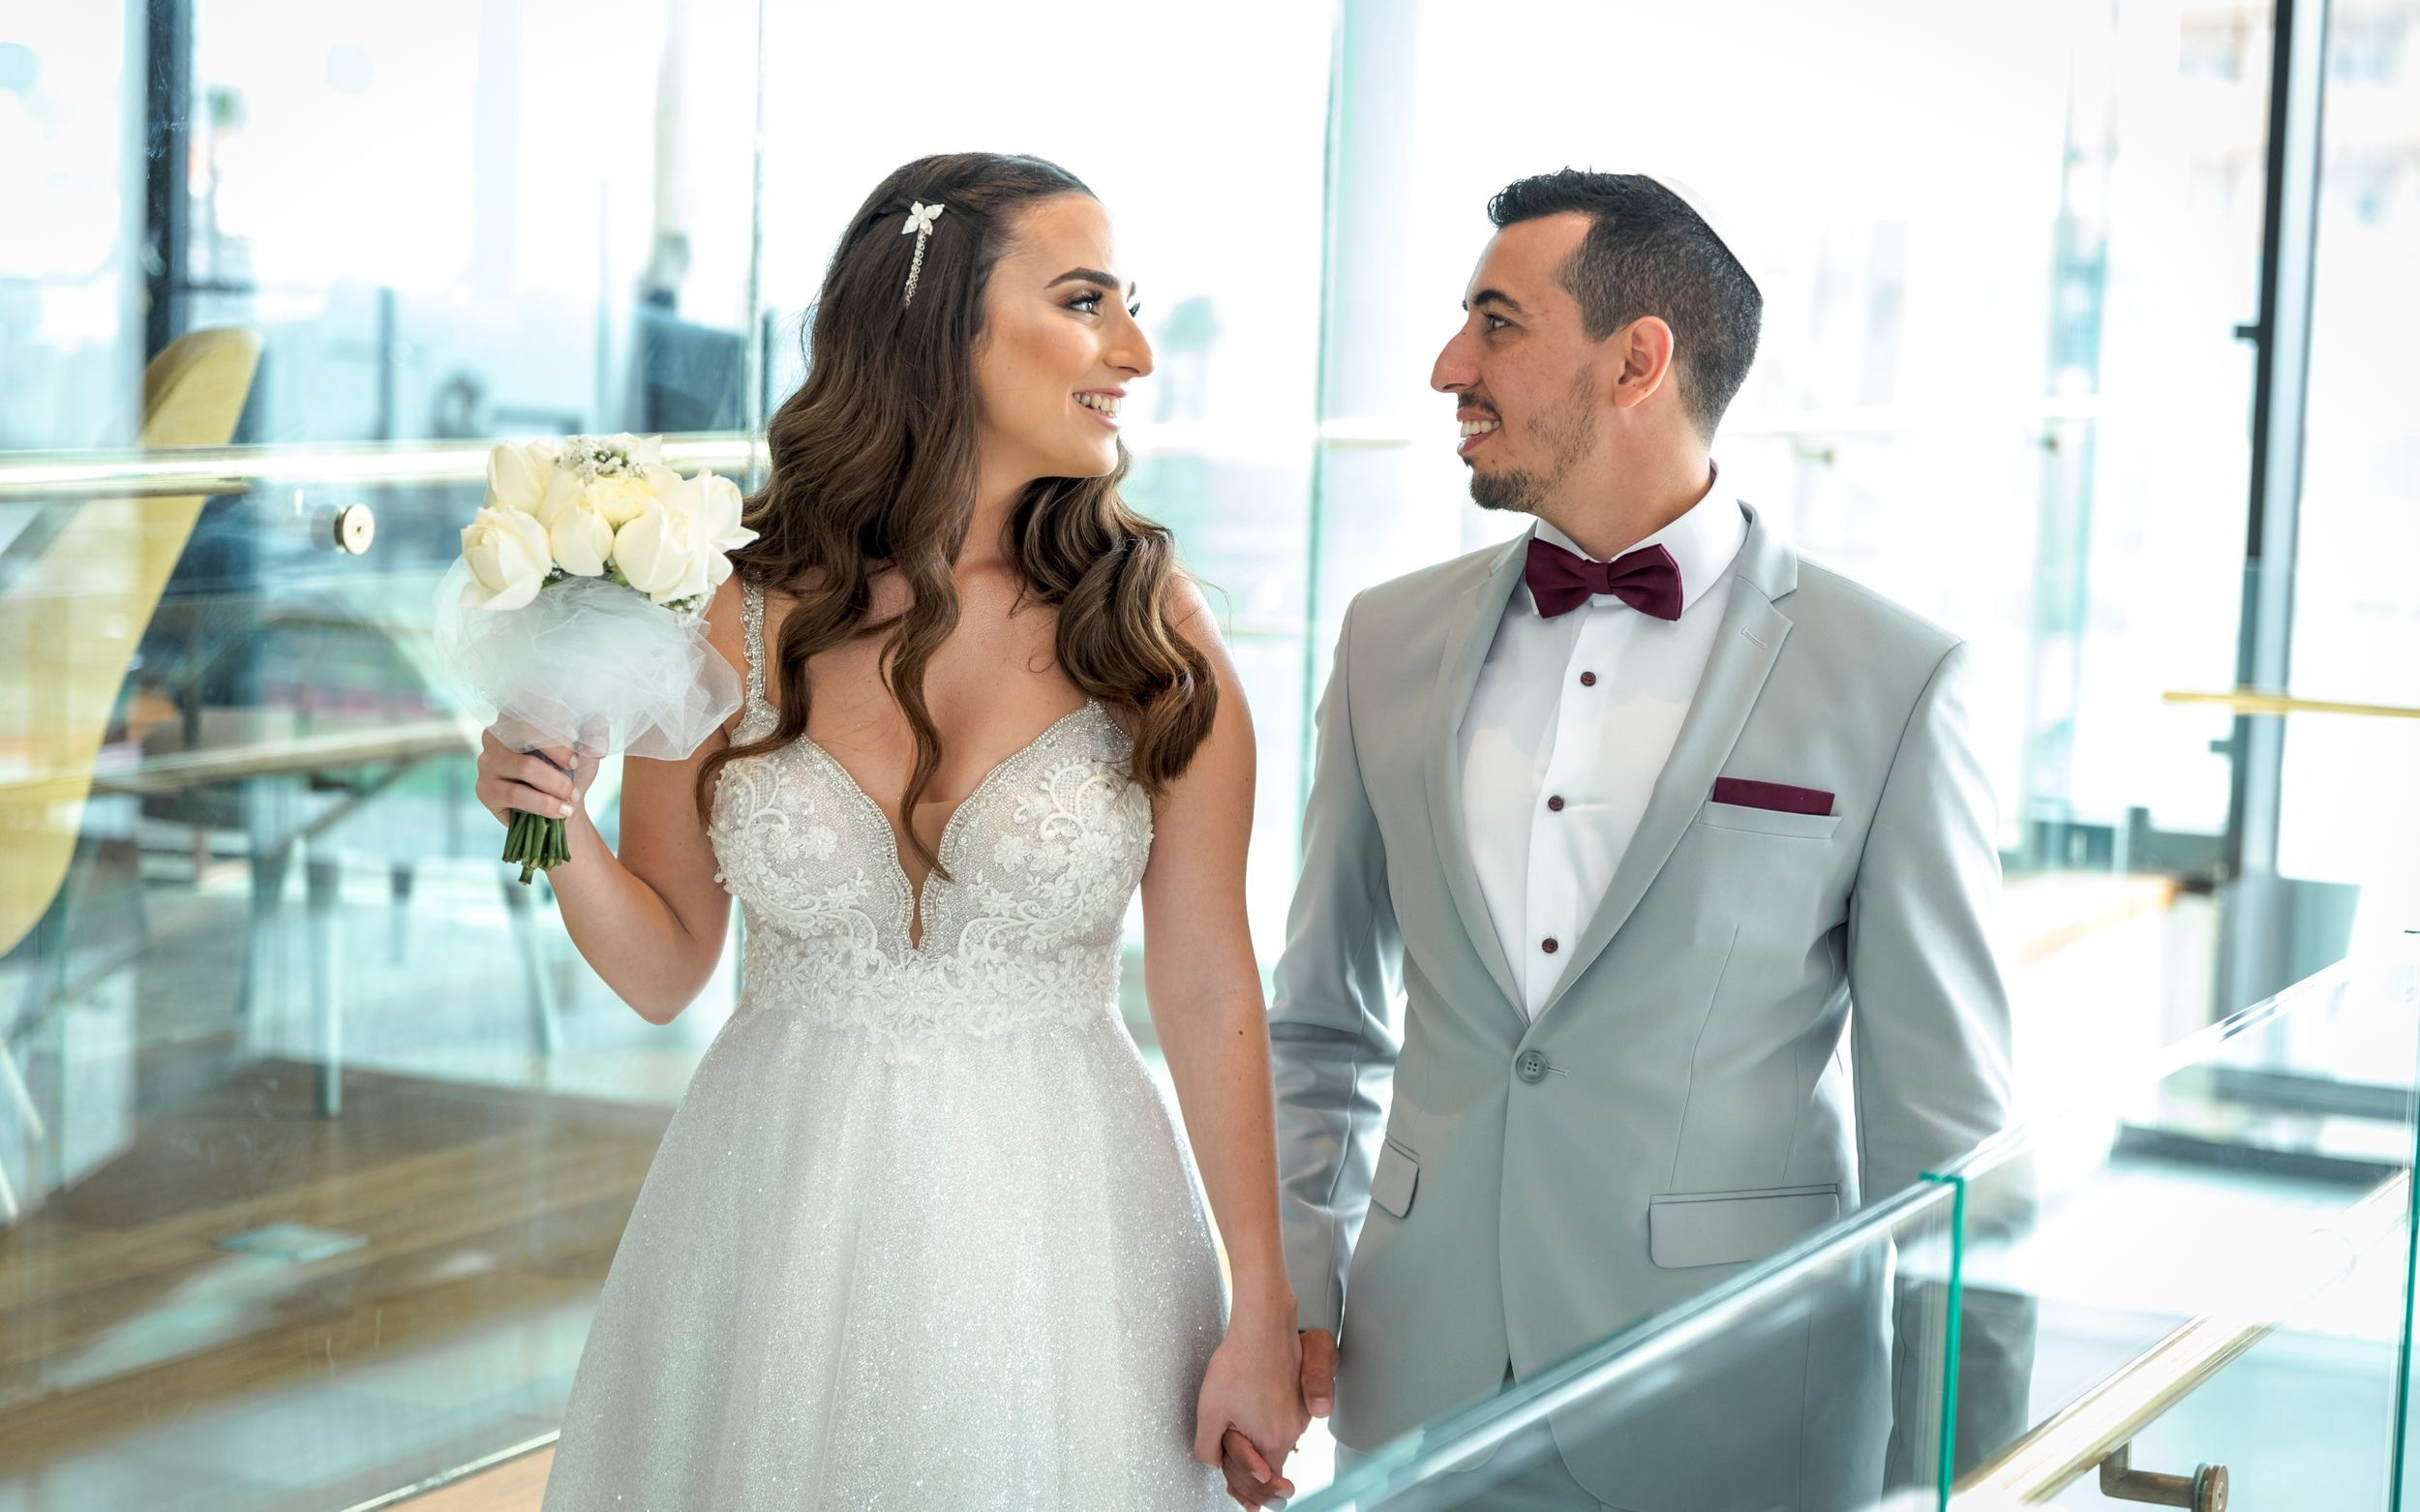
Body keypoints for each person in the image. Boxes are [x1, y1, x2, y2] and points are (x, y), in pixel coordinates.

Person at [477, 152, 1306, 1509]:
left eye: (1130, 305)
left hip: (1070, 1242)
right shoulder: (725, 610)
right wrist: (552, 826)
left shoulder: (1156, 636)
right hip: (772, 1218)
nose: (1136, 351)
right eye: (1088, 302)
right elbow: (669, 960)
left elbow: (1212, 986)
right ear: (943, 327)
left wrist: (1262, 1305)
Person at [1237, 171, 2015, 1510]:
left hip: (1735, 1406)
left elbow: (1948, 1147)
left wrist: (1970, 1475)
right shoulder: (1386, 641)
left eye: (1496, 325)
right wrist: (1299, 1283)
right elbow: (1320, 1023)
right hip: (1419, 1396)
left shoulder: (1893, 679)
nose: (1446, 367)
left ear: (1636, 358)